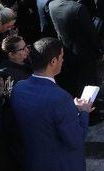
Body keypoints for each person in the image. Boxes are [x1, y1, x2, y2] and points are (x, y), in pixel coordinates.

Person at [11, 37, 93, 171]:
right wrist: (83, 112)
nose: (63, 60)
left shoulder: (19, 87)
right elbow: (75, 139)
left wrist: (69, 110)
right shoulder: (60, 98)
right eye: (61, 57)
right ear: (53, 61)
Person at [48, 0, 104, 111]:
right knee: (88, 83)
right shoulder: (78, 8)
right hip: (84, 53)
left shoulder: (52, 5)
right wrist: (99, 50)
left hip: (66, 52)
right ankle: (91, 113)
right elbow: (91, 33)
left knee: (75, 82)